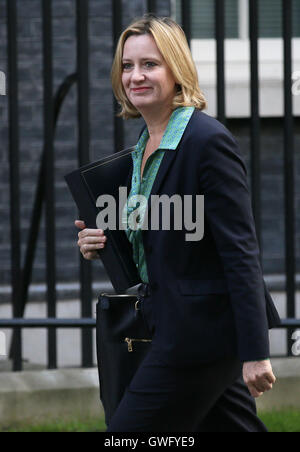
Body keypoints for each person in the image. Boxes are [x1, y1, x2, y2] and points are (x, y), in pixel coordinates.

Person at [75, 14, 281, 432]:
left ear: (176, 70)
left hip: (200, 334)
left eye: (150, 64)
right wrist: (103, 241)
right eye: (127, 66)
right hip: (167, 320)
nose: (136, 76)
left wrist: (255, 351)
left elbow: (239, 250)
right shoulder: (143, 146)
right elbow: (158, 240)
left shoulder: (206, 142)